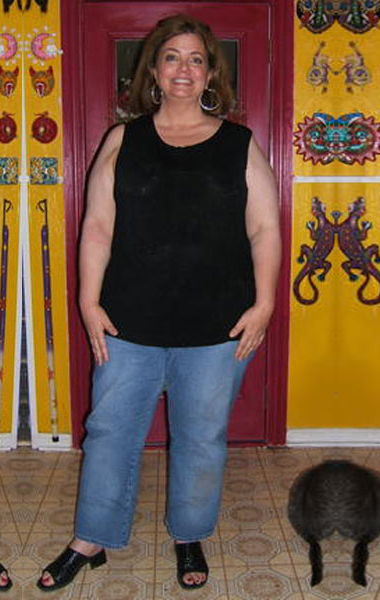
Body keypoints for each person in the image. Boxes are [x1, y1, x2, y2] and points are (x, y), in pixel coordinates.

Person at [37, 13, 281, 592]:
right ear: (153, 70)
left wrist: (265, 303)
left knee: (201, 436)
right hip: (128, 319)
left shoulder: (239, 144)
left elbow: (265, 228)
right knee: (109, 430)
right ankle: (91, 538)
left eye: (196, 59)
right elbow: (97, 227)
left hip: (219, 324)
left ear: (211, 74)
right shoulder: (122, 140)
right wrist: (88, 302)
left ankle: (189, 534)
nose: (184, 69)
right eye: (172, 57)